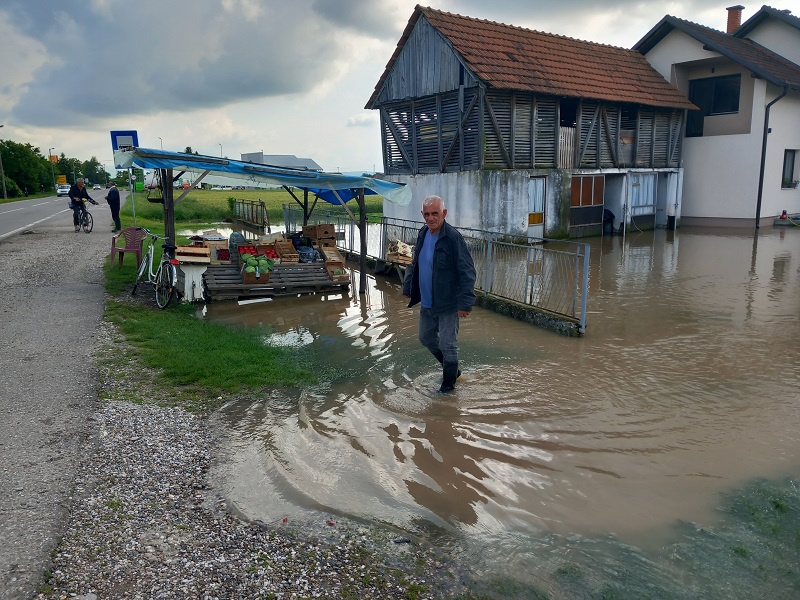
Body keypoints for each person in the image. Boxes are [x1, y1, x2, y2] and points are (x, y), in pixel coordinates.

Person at [403, 195, 476, 393]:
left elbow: (467, 271)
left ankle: (448, 388)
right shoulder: (423, 233)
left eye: (435, 213)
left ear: (444, 213)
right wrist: (408, 288)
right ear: (422, 215)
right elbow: (415, 262)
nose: (431, 218)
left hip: (448, 302)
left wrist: (465, 303)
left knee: (447, 344)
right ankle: (453, 371)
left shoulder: (452, 237)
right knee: (425, 337)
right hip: (427, 301)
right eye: (427, 214)